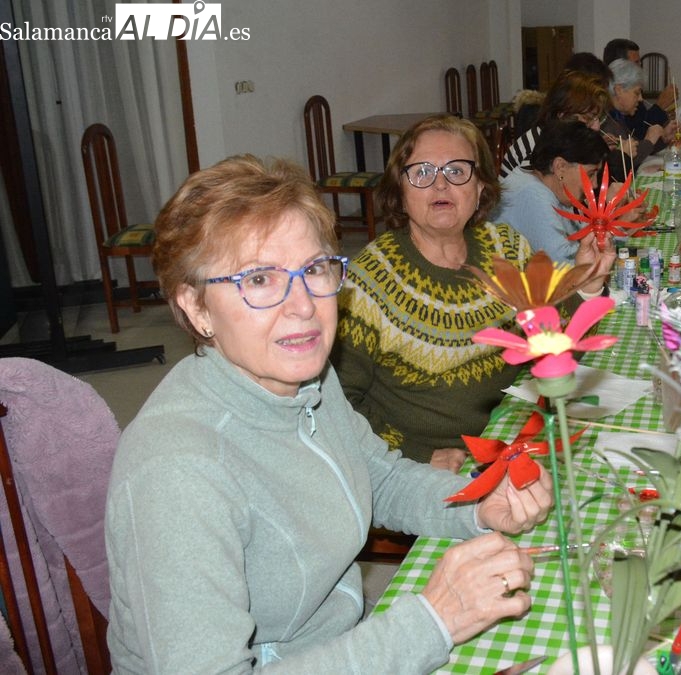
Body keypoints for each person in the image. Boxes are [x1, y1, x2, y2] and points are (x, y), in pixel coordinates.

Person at [106, 155, 555, 673]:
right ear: (196, 306)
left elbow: (377, 477)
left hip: (341, 639)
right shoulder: (177, 471)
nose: (303, 306)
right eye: (259, 280)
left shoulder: (304, 379)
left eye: (315, 270)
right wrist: (432, 621)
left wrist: (478, 504)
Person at [334, 115, 613, 469]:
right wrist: (411, 456)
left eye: (457, 171)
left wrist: (587, 281)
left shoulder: (507, 248)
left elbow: (557, 341)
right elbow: (337, 403)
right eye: (422, 173)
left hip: (516, 437)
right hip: (440, 468)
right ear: (399, 193)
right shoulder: (366, 284)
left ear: (481, 187)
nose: (440, 186)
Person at [496, 120, 610, 261]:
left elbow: (584, 235)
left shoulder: (554, 189)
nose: (594, 185)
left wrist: (620, 227)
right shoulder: (532, 194)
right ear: (560, 166)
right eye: (591, 174)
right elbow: (562, 264)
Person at [500, 69, 611, 178]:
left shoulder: (558, 140)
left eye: (598, 118)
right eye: (588, 118)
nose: (597, 127)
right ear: (563, 115)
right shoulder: (536, 150)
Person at [601, 58, 679, 181]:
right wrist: (649, 140)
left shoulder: (619, 117)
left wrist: (662, 139)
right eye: (636, 93)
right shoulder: (606, 122)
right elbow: (627, 161)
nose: (641, 99)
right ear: (619, 90)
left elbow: (637, 148)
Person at [601, 38, 676, 118]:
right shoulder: (605, 103)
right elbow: (640, 127)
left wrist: (664, 116)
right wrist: (660, 105)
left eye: (640, 62)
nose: (640, 67)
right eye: (636, 63)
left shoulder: (631, 92)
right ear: (620, 65)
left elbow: (643, 119)